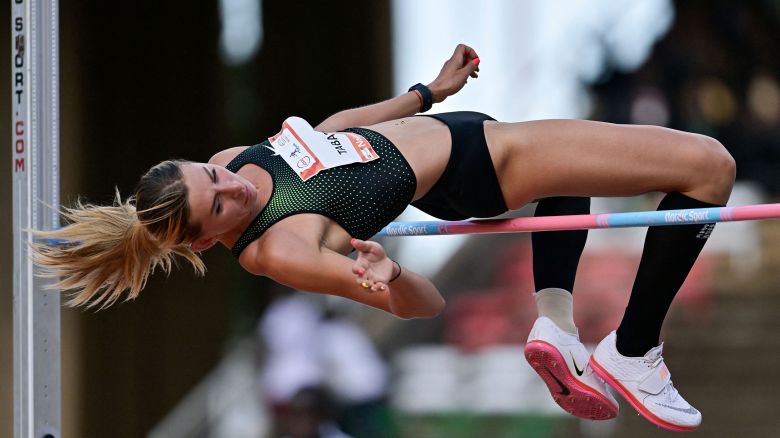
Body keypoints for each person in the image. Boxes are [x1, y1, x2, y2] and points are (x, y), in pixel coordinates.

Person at [32, 44, 735, 432]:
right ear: (201, 245)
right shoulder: (281, 250)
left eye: (210, 176)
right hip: (482, 168)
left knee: (569, 196)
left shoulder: (233, 164)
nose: (233, 187)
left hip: (468, 137)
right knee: (709, 167)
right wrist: (388, 273)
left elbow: (333, 131)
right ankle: (635, 350)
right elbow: (421, 308)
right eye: (218, 206)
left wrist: (426, 94)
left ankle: (558, 326)